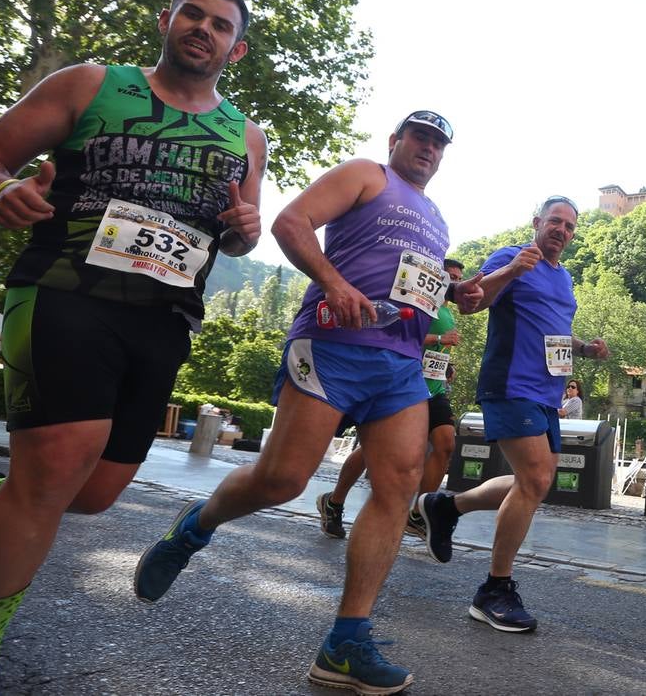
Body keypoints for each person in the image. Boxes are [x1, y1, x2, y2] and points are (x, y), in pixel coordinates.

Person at [0, 0, 267, 696]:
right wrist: (1, 189)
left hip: (165, 317)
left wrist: (245, 232)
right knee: (54, 471)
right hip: (66, 290)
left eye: (220, 25)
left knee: (93, 494)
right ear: (165, 21)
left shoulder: (246, 135)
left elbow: (237, 233)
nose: (203, 29)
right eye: (191, 14)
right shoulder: (91, 85)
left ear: (235, 50)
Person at [132, 109, 484, 695]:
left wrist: (452, 292)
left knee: (398, 489)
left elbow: (410, 283)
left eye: (437, 143)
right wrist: (336, 283)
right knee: (282, 480)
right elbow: (291, 223)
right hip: (332, 345)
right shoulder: (366, 174)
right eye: (419, 137)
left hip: (400, 365)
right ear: (395, 140)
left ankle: (345, 642)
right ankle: (194, 528)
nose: (427, 148)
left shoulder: (437, 218)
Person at [415, 196, 608, 634]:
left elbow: (555, 333)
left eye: (570, 226)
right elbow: (473, 301)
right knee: (535, 480)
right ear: (537, 221)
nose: (561, 230)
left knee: (534, 481)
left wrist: (584, 348)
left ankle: (446, 506)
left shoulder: (564, 277)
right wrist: (512, 271)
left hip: (547, 391)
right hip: (511, 383)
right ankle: (493, 590)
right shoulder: (512, 256)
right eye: (555, 221)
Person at [317, 257, 466, 540]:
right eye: (450, 276)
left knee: (446, 444)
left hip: (433, 388)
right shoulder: (419, 303)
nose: (455, 282)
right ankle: (334, 501)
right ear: (437, 277)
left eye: (459, 278)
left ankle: (419, 515)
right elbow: (395, 334)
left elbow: (435, 350)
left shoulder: (447, 311)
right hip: (404, 383)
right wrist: (439, 340)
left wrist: (446, 366)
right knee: (373, 448)